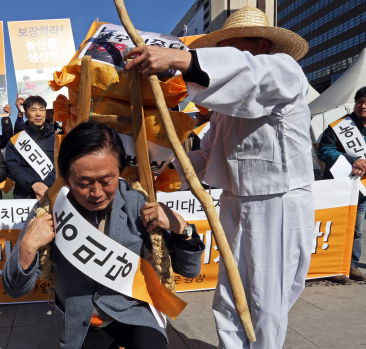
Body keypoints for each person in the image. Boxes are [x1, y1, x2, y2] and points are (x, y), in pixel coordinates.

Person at [123, 6, 314, 348]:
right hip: (234, 202)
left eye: (235, 48)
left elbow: (252, 75)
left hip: (278, 202)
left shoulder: (284, 71)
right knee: (229, 295)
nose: (228, 56)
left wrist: (181, 60)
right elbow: (204, 158)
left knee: (265, 301)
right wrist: (160, 159)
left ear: (262, 46)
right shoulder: (225, 114)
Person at [3, 121, 203, 348]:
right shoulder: (49, 210)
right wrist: (27, 247)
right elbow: (14, 289)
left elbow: (189, 270)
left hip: (133, 313)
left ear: (120, 170)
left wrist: (183, 230)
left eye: (107, 181)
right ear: (67, 176)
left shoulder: (137, 203)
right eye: (84, 182)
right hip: (81, 322)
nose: (96, 193)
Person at [317, 84, 366, 283]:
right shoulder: (339, 126)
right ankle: (331, 266)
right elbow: (324, 150)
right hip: (336, 185)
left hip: (362, 186)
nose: (363, 106)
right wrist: (353, 160)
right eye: (359, 102)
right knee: (331, 225)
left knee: (356, 229)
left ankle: (351, 266)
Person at [5, 96, 56, 199]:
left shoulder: (57, 137)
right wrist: (33, 184)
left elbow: (62, 163)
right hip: (24, 196)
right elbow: (12, 166)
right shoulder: (16, 140)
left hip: (52, 192)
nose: (38, 114)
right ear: (26, 114)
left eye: (41, 110)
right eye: (33, 110)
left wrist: (44, 186)